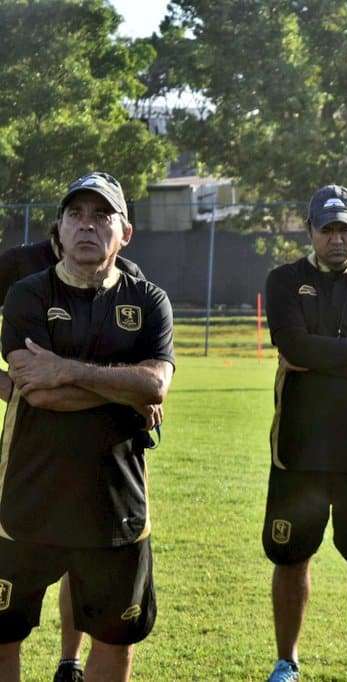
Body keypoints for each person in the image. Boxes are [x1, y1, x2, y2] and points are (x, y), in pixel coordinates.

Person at [0, 171, 174, 681]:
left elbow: (155, 386)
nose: (87, 225)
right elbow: (39, 392)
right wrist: (123, 389)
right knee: (4, 635)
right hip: (29, 496)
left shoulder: (148, 302)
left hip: (115, 502)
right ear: (59, 227)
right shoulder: (27, 295)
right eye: (76, 214)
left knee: (114, 640)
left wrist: (68, 369)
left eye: (102, 215)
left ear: (125, 234)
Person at [262, 185, 347, 682]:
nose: (337, 238)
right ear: (310, 231)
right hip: (298, 451)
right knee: (291, 557)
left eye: (345, 228)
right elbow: (295, 348)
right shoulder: (284, 281)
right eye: (327, 229)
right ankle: (286, 660)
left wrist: (325, 354)